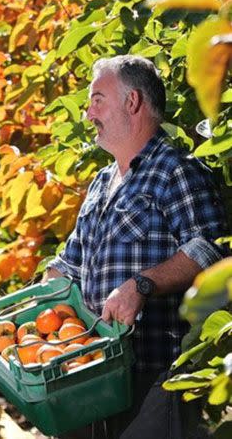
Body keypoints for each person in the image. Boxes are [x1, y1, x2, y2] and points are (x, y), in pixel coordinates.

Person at [45, 55, 227, 438]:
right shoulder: (100, 183)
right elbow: (67, 268)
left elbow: (212, 250)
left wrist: (142, 285)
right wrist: (26, 312)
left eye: (98, 99)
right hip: (93, 373)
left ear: (132, 102)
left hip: (155, 373)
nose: (88, 113)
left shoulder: (176, 169)